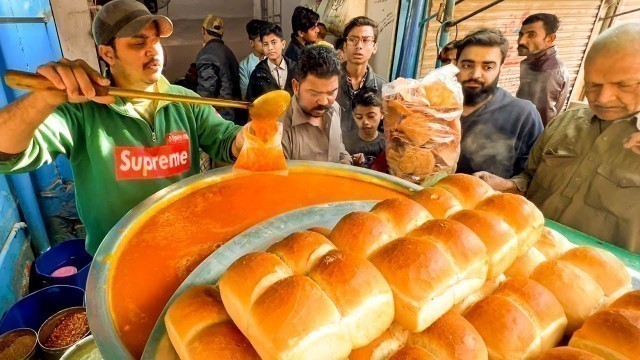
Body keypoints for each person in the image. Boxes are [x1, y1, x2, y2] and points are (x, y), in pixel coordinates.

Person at [0, 0, 247, 255]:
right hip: (116, 260)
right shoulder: (82, 112)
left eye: (156, 40)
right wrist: (43, 99)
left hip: (184, 250)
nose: (153, 51)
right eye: (139, 43)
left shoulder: (185, 102)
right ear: (108, 53)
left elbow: (226, 139)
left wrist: (245, 138)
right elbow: (6, 153)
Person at [474, 23, 640, 253]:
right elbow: (531, 178)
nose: (603, 97)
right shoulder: (566, 123)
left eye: (624, 85)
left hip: (608, 279)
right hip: (528, 254)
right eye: (593, 85)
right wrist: (507, 185)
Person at [455, 28, 543, 178]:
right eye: (467, 65)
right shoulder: (432, 107)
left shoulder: (522, 116)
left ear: (500, 68)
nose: (475, 75)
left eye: (487, 67)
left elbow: (535, 177)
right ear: (455, 64)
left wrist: (507, 186)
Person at [280, 45, 351, 165]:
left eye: (331, 92)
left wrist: (346, 162)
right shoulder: (280, 128)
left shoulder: (334, 108)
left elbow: (339, 150)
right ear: (296, 87)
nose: (323, 101)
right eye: (315, 93)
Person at [336, 16, 387, 139]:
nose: (359, 46)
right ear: (344, 46)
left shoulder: (383, 89)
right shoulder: (329, 82)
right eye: (353, 40)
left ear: (375, 47)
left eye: (366, 40)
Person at [516, 13, 569, 126]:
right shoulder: (533, 62)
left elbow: (541, 121)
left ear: (550, 38)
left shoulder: (549, 72)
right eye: (521, 35)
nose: (521, 41)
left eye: (531, 35)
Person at [195, 14, 243, 124]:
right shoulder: (229, 52)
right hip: (235, 118)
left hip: (218, 121)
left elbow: (206, 93)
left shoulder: (206, 54)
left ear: (203, 31)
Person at [245, 23, 295, 102]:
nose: (270, 48)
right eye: (265, 44)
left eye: (274, 42)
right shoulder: (258, 73)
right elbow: (251, 104)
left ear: (283, 44)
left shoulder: (296, 68)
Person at [343, 89, 385, 168]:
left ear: (382, 113)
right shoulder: (344, 142)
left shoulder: (387, 145)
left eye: (371, 116)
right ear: (353, 115)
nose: (365, 122)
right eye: (359, 117)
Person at [239, 19, 269, 100]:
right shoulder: (244, 65)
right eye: (260, 41)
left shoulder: (273, 58)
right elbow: (245, 95)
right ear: (252, 43)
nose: (264, 43)